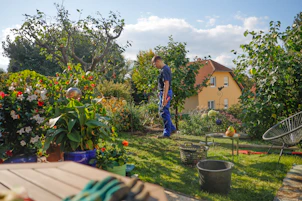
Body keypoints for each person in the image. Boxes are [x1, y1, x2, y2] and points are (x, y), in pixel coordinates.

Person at [152, 56, 176, 138]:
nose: (155, 66)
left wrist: (164, 98)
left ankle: (166, 133)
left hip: (166, 93)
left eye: (154, 64)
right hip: (164, 93)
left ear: (158, 61)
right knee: (163, 111)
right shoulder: (164, 69)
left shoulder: (165, 69)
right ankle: (172, 128)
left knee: (164, 112)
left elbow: (166, 83)